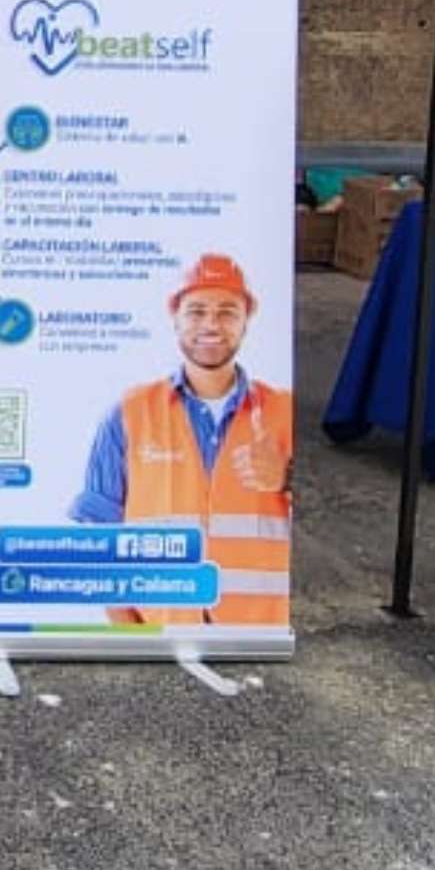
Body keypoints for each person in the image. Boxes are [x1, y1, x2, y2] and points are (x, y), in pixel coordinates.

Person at [68, 254, 292, 626]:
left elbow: (340, 522)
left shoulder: (283, 411)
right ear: (175, 318)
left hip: (260, 634)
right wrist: (133, 641)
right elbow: (100, 541)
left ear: (246, 321)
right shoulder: (128, 414)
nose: (211, 325)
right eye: (197, 311)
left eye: (227, 312)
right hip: (161, 630)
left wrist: (287, 476)